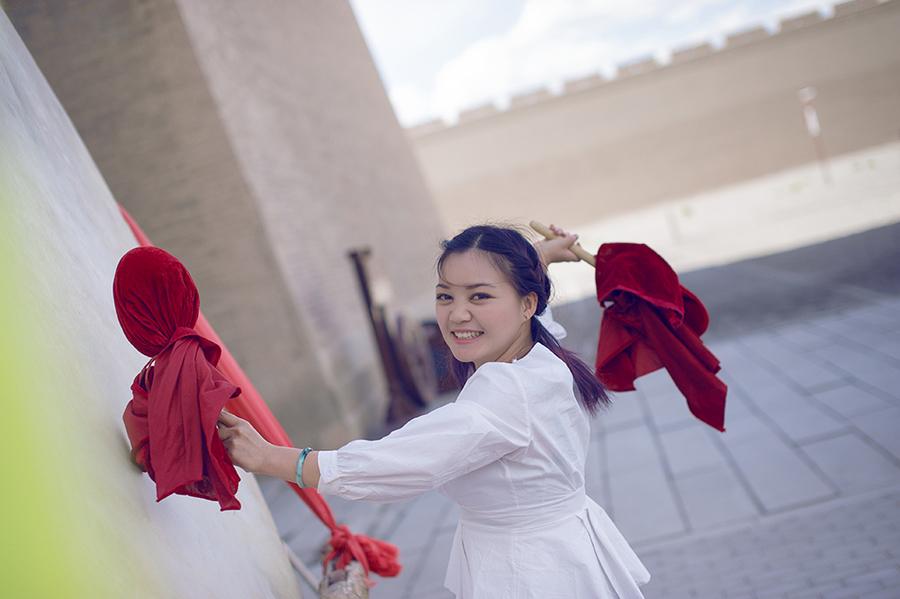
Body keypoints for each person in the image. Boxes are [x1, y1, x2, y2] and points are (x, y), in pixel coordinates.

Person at [216, 224, 651, 598]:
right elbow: (538, 313)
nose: (457, 314)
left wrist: (273, 458)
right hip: (561, 549)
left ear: (526, 304)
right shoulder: (540, 357)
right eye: (445, 296)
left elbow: (403, 461)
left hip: (531, 571)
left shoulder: (504, 392)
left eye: (479, 296)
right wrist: (539, 258)